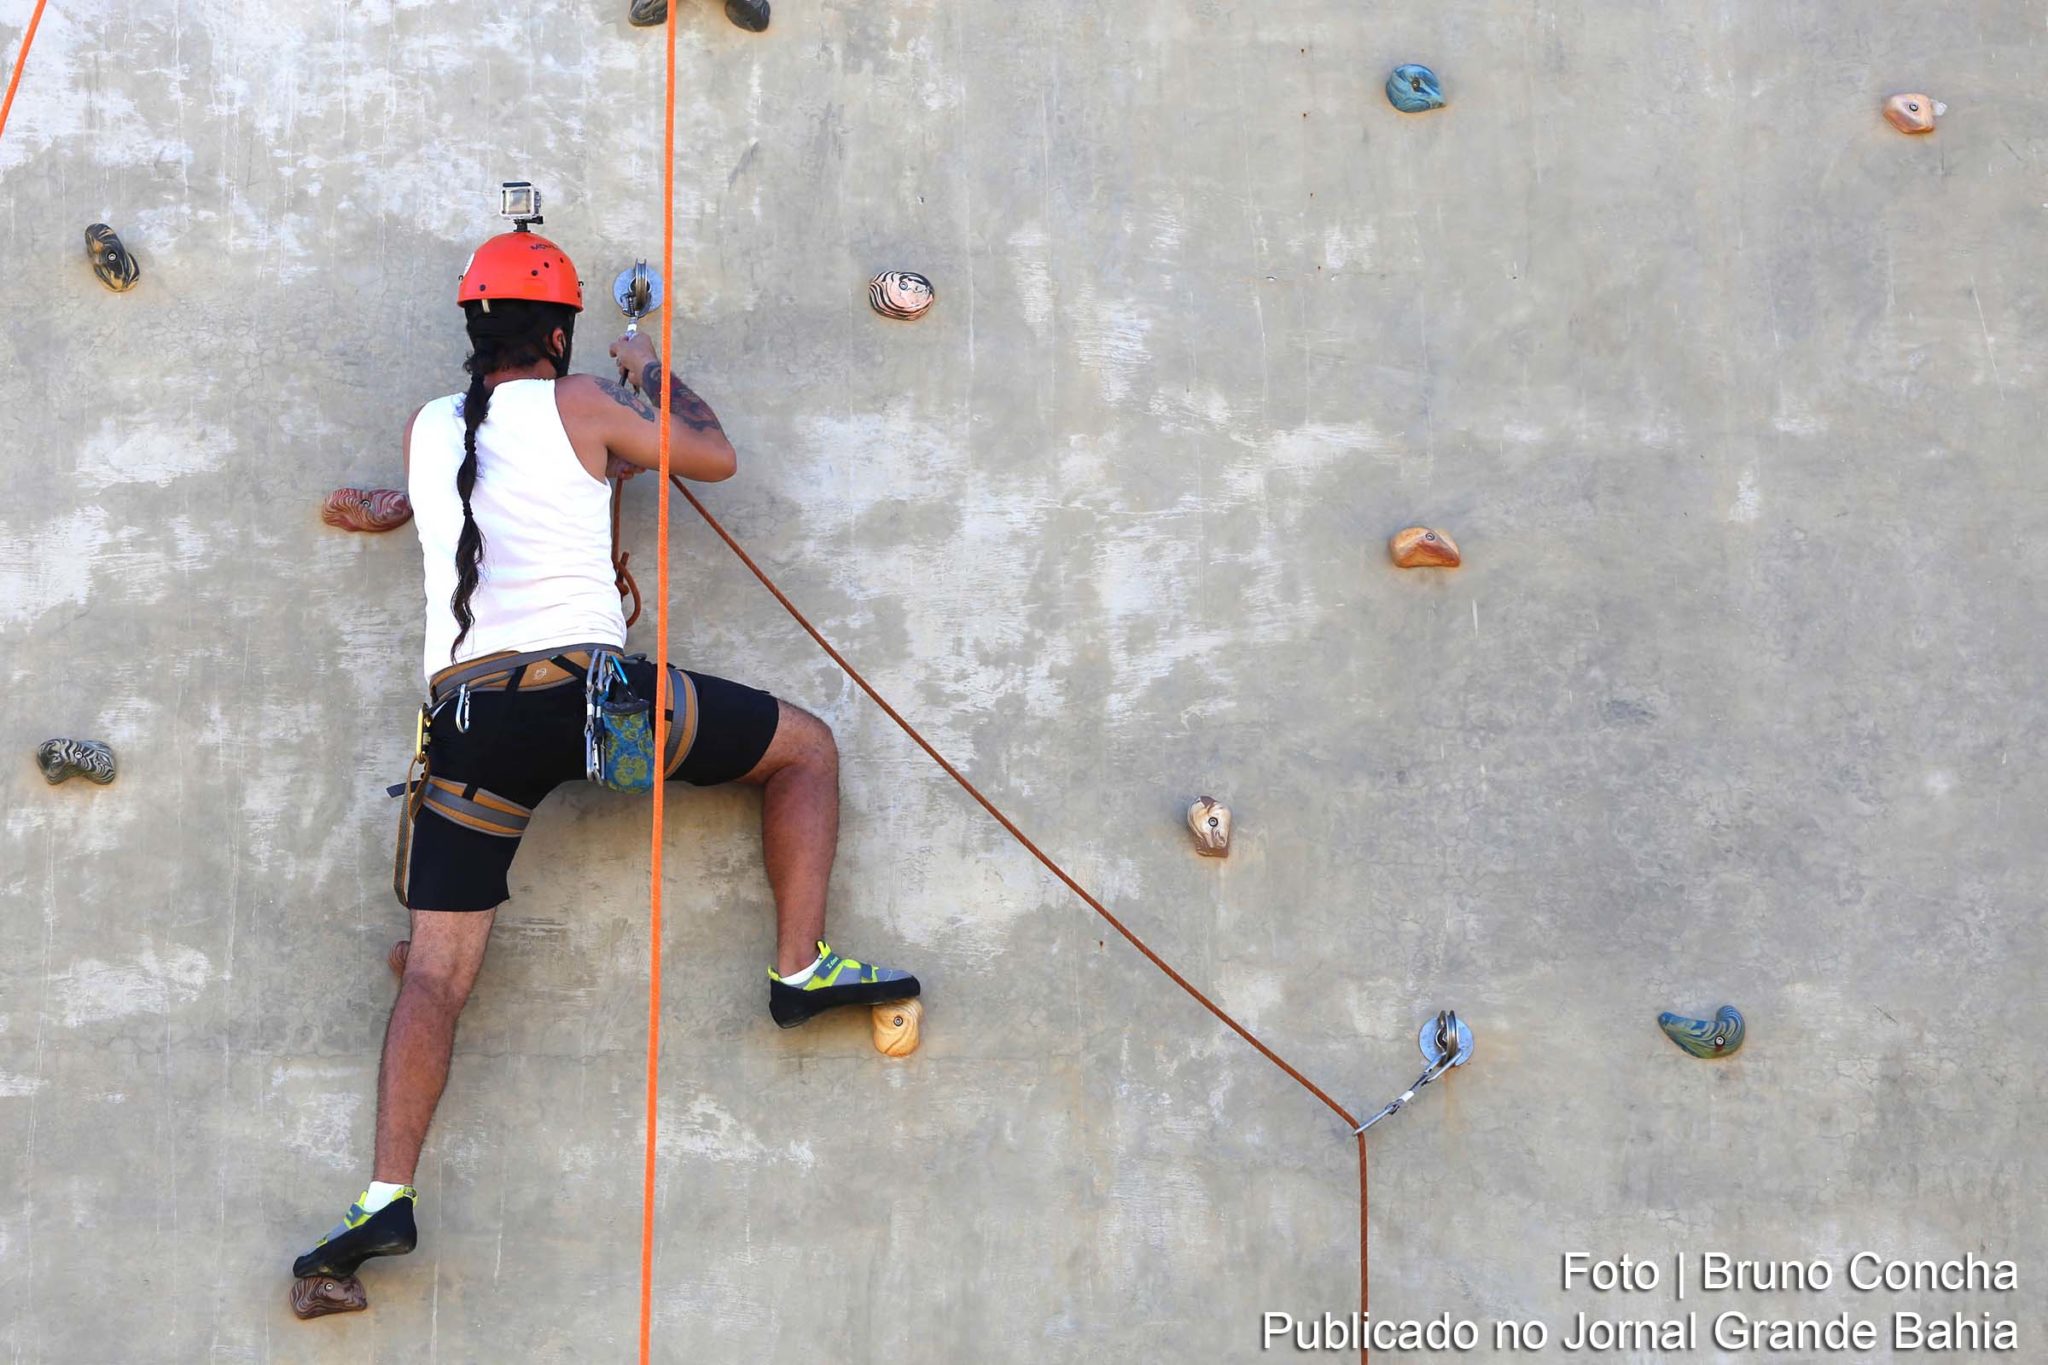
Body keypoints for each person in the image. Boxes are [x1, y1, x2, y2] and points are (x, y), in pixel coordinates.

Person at [290, 223, 917, 1286]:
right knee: (803, 752)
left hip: (471, 726)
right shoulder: (586, 404)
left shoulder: (430, 427)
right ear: (561, 329)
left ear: (472, 327)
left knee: (434, 976)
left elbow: (482, 509)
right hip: (593, 702)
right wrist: (651, 376)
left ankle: (381, 1200)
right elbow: (712, 459)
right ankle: (800, 969)